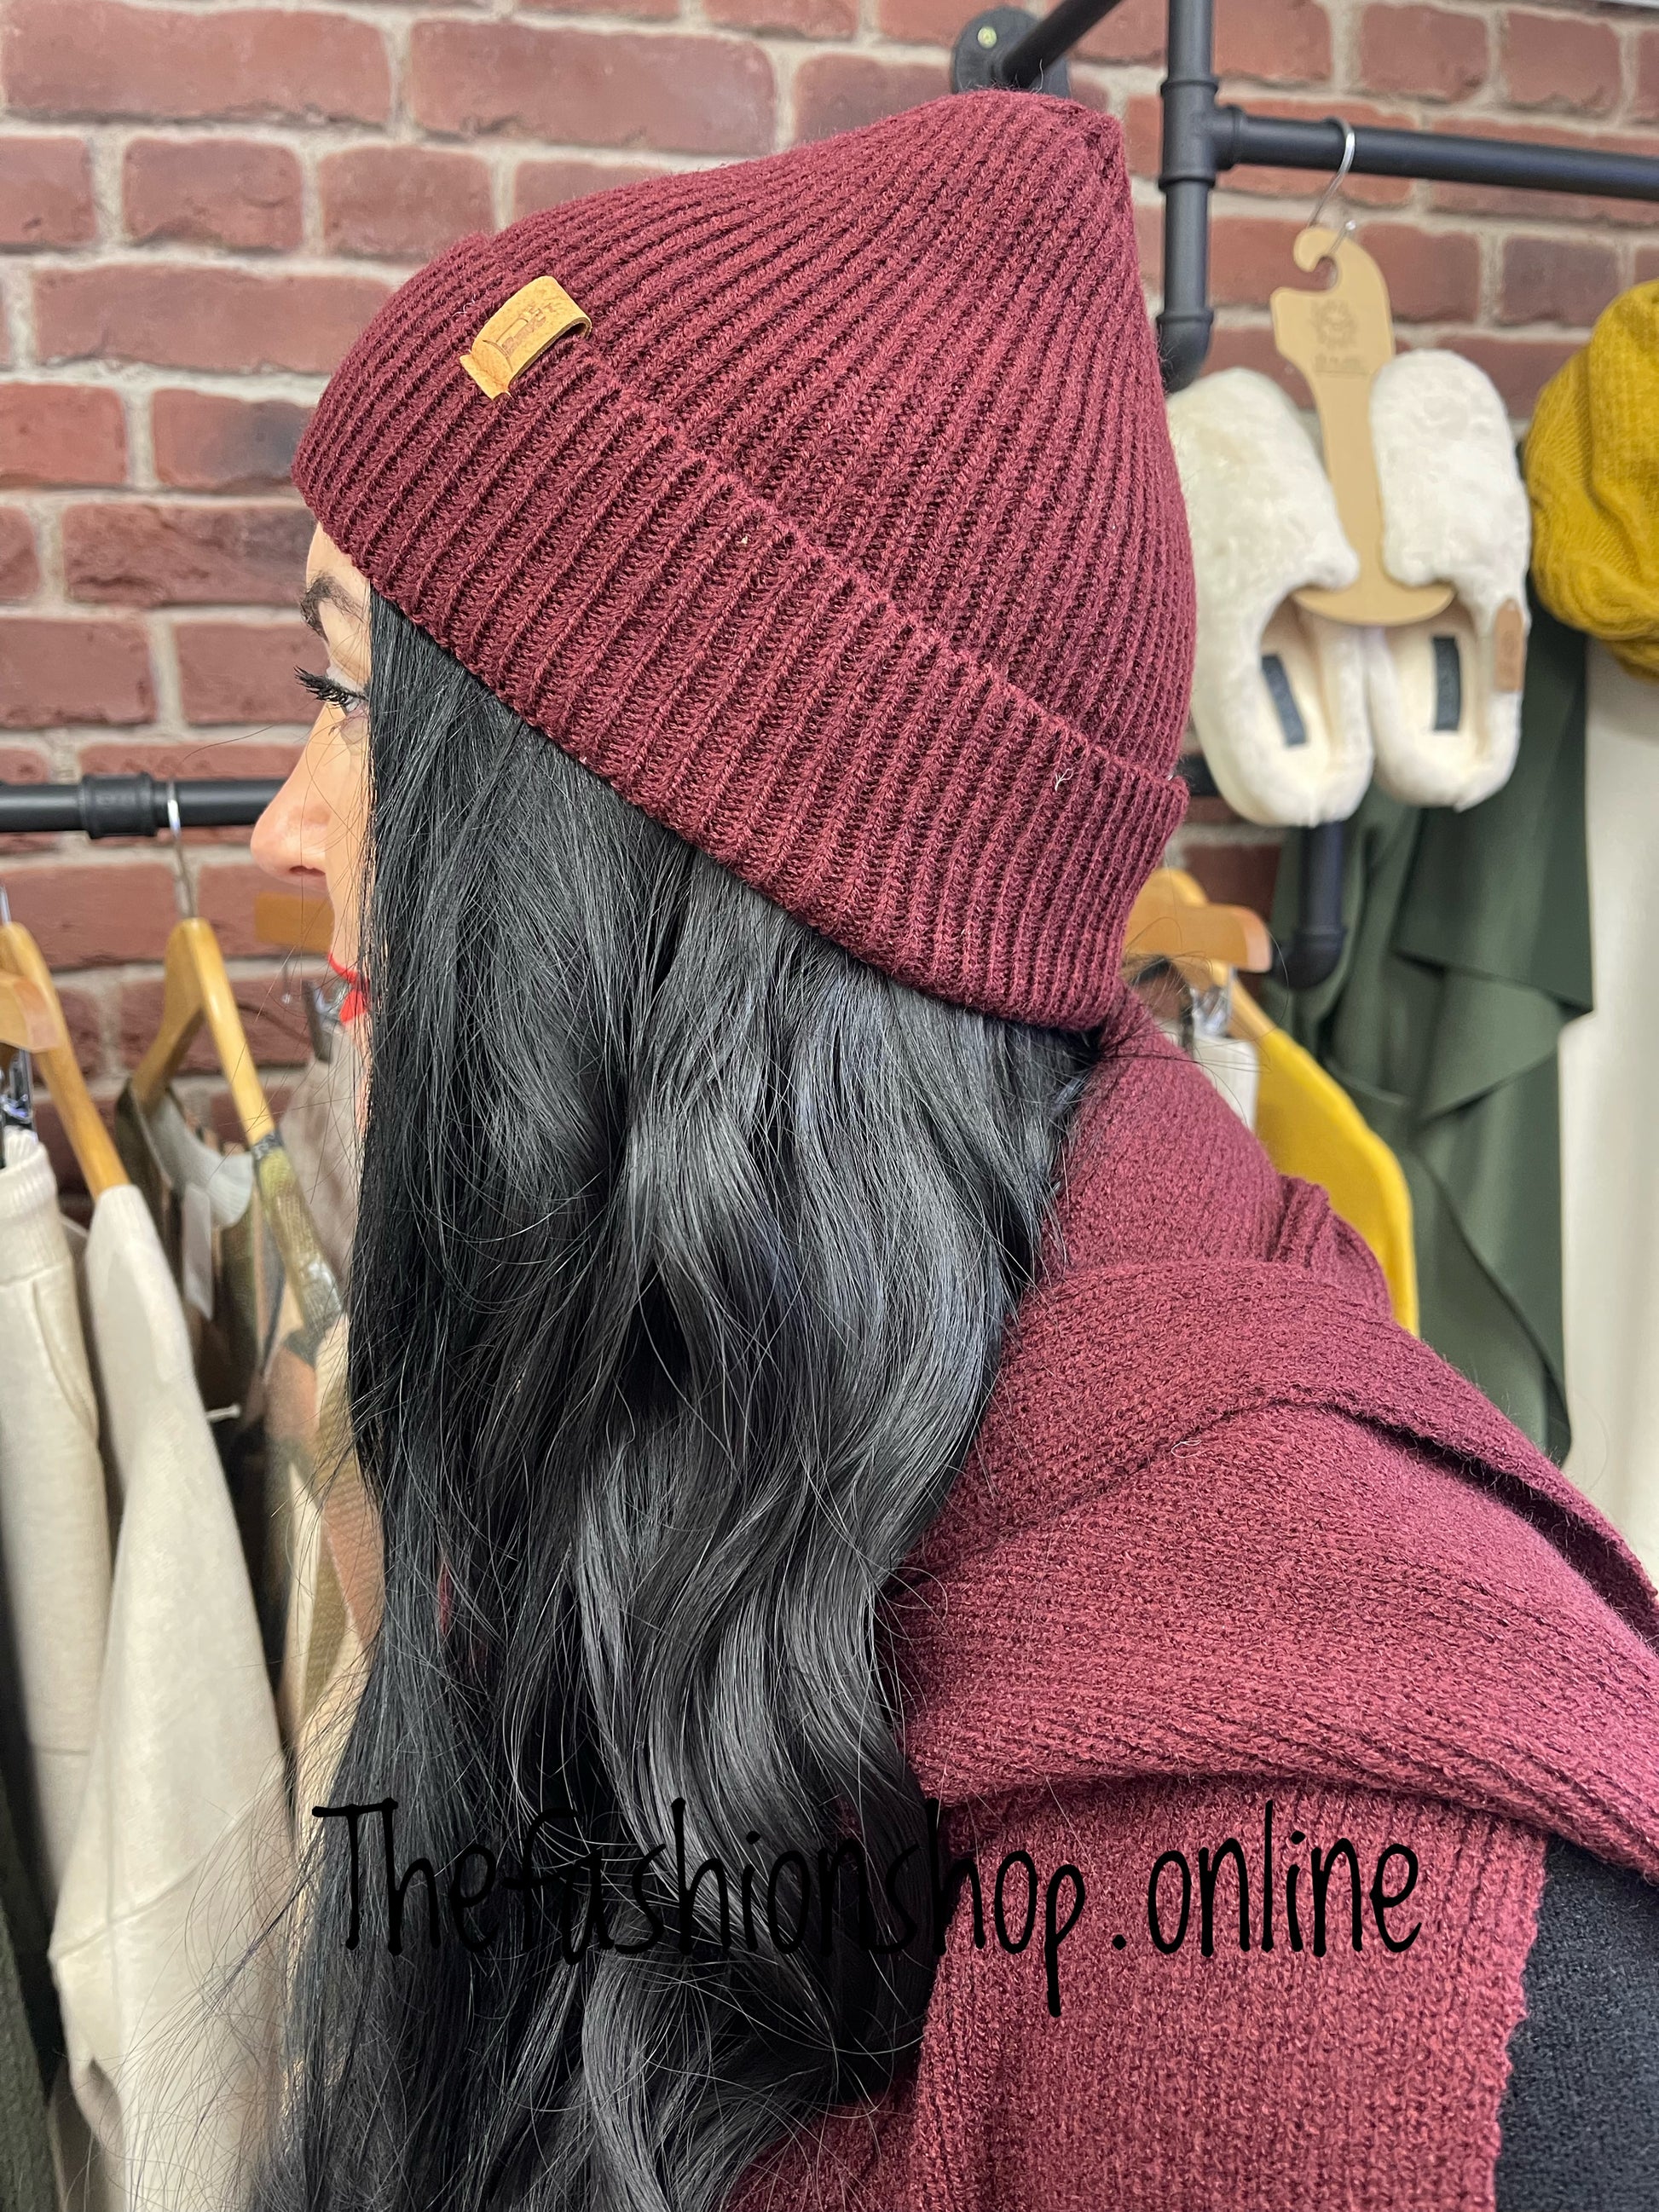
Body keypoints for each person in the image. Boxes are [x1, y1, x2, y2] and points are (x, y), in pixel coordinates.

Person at [246, 90, 1659, 2212]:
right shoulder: (653, 1448)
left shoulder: (1431, 1953)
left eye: (356, 701)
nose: (289, 828)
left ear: (680, 880)